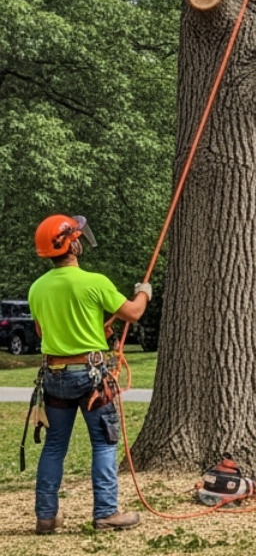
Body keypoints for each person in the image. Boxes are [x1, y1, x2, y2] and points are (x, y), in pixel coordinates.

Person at [28, 214, 151, 534]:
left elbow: (45, 332)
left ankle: (45, 516)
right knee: (103, 443)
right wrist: (144, 292)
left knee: (55, 445)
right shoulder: (95, 282)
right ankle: (106, 513)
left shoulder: (37, 289)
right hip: (92, 375)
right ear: (73, 244)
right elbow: (133, 313)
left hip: (54, 374)